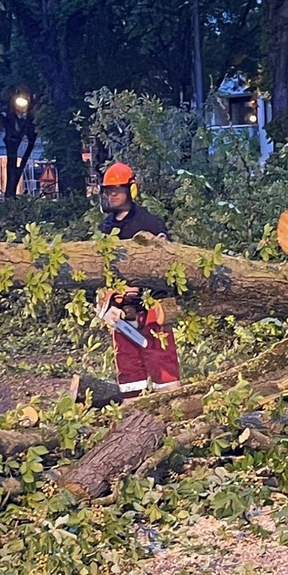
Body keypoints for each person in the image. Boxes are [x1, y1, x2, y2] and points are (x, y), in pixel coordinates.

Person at [97, 162, 182, 400]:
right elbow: (102, 269)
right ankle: (132, 406)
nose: (112, 195)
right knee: (128, 363)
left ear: (131, 190)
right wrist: (107, 301)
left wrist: (140, 284)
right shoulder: (105, 228)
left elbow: (164, 264)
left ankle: (171, 404)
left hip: (151, 304)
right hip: (122, 309)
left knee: (161, 358)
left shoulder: (149, 224)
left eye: (117, 189)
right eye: (109, 190)